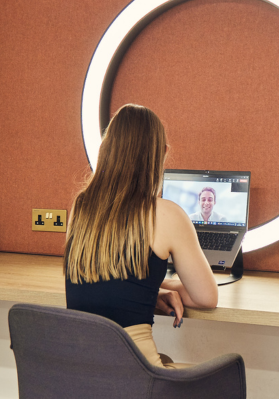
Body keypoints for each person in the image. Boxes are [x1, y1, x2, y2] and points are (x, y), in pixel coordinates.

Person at [64, 104, 218, 369]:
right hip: (135, 379)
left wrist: (149, 291)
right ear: (162, 154)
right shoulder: (166, 214)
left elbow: (97, 283)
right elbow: (206, 297)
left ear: (106, 148)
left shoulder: (81, 206)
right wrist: (161, 288)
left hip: (80, 375)